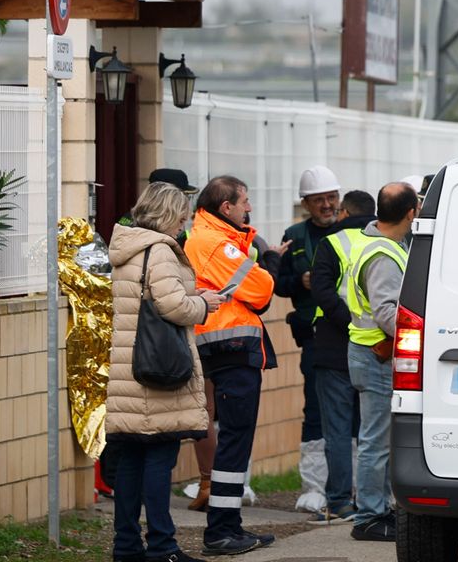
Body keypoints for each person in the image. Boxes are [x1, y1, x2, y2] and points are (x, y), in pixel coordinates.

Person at [107, 182, 226, 562]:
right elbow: (173, 306)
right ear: (165, 215)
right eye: (180, 217)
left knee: (129, 462)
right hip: (158, 373)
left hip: (130, 369)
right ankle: (162, 547)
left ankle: (126, 547)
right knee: (159, 459)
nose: (183, 224)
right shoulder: (158, 250)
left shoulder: (126, 247)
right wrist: (204, 303)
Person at [185, 176, 286, 555]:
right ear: (226, 207)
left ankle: (228, 527)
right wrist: (268, 263)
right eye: (245, 201)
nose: (250, 208)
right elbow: (261, 290)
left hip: (230, 348)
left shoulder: (215, 238)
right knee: (234, 440)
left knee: (235, 440)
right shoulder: (213, 242)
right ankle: (222, 531)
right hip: (229, 349)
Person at [346, 182, 418, 541]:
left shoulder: (383, 245)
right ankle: (368, 518)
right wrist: (425, 327)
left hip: (371, 354)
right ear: (411, 213)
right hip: (374, 355)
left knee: (379, 438)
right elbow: (387, 313)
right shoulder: (384, 256)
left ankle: (378, 508)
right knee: (375, 440)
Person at [307, 190, 377, 525]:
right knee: (372, 429)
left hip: (335, 346)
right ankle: (373, 500)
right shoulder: (391, 244)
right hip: (377, 346)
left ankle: (339, 501)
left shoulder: (331, 243)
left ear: (345, 211)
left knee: (336, 429)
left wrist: (348, 321)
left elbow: (320, 290)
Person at [276, 165, 342, 512]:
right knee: (314, 407)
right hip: (313, 337)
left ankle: (350, 485)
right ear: (306, 204)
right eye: (319, 200)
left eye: (332, 197)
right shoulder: (295, 235)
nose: (327, 205)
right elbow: (276, 283)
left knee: (355, 409)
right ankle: (314, 486)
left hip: (350, 334)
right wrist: (298, 282)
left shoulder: (351, 231)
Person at [118, 169, 200, 246]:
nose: (185, 202)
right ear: (167, 196)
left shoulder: (133, 216)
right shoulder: (162, 225)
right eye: (184, 196)